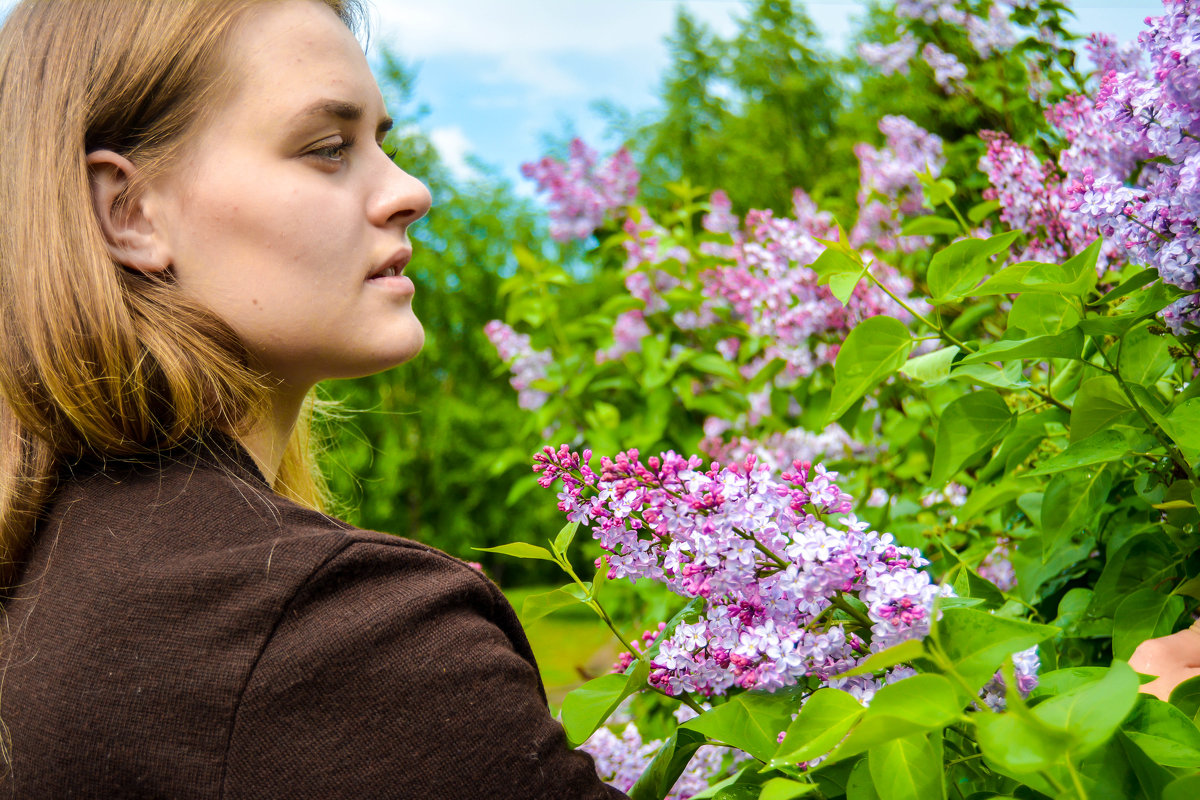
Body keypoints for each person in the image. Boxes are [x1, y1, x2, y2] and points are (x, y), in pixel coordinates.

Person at [0, 1, 626, 797]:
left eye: (382, 143)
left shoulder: (42, 578)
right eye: (327, 148)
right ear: (129, 213)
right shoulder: (338, 632)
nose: (411, 191)